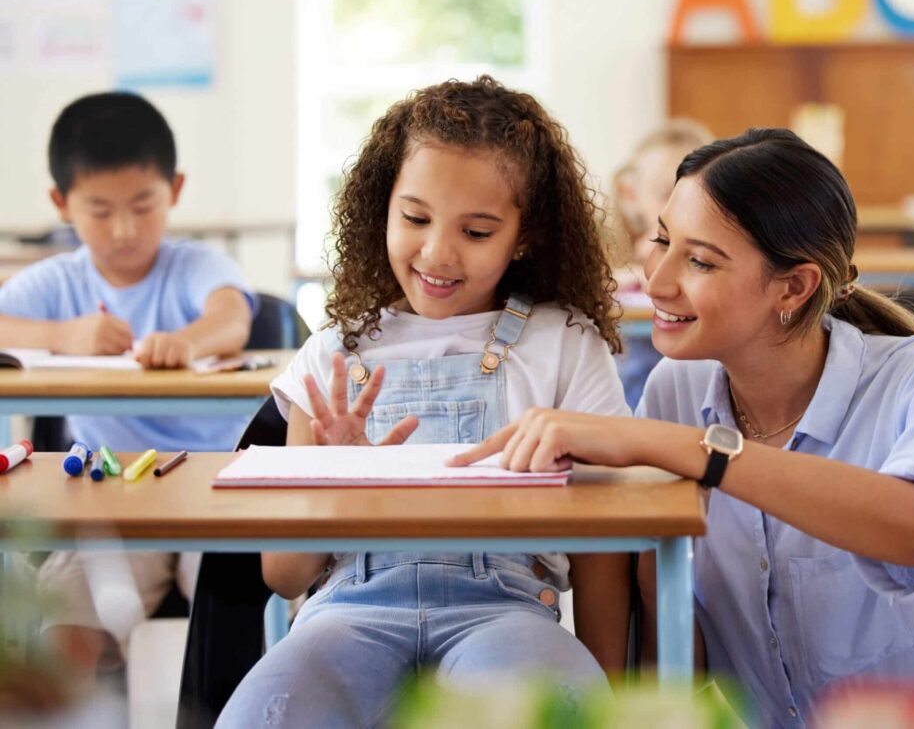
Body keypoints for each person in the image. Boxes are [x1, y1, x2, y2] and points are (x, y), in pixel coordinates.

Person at [452, 128, 914, 726]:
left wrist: (685, 450)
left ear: (794, 287)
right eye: (663, 240)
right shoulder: (676, 390)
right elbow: (680, 659)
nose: (659, 279)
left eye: (700, 260)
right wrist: (654, 568)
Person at [216, 76, 628, 728]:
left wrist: (615, 696)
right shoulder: (332, 353)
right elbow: (284, 576)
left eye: (478, 230)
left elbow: (606, 549)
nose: (437, 251)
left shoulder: (567, 344)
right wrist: (333, 482)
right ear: (382, 207)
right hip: (348, 614)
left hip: (505, 611)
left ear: (525, 235)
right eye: (414, 218)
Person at [0, 92, 256, 675]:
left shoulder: (194, 265)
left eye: (143, 205)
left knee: (240, 615)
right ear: (61, 204)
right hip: (110, 497)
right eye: (99, 209)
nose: (123, 228)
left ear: (176, 190)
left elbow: (232, 316)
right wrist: (62, 335)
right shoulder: (55, 282)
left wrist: (187, 341)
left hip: (213, 492)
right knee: (68, 633)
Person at [611, 119, 713, 409]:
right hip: (625, 397)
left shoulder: (714, 253)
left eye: (698, 195)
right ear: (631, 194)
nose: (680, 206)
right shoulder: (620, 252)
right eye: (666, 193)